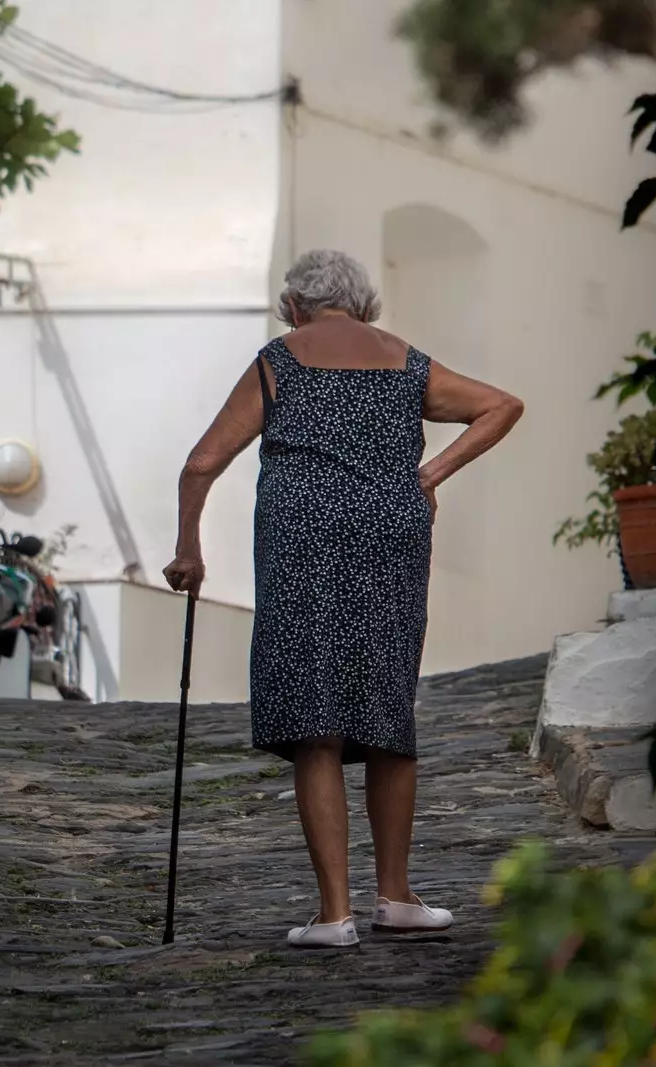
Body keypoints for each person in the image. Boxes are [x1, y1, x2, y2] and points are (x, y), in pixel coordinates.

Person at [162, 249, 524, 948]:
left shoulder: (282, 358)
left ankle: (334, 914)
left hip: (301, 539)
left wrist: (189, 549)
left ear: (295, 306)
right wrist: (430, 473)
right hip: (391, 535)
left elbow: (202, 462)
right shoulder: (405, 359)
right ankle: (397, 895)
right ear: (363, 304)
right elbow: (501, 405)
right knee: (387, 705)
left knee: (314, 716)